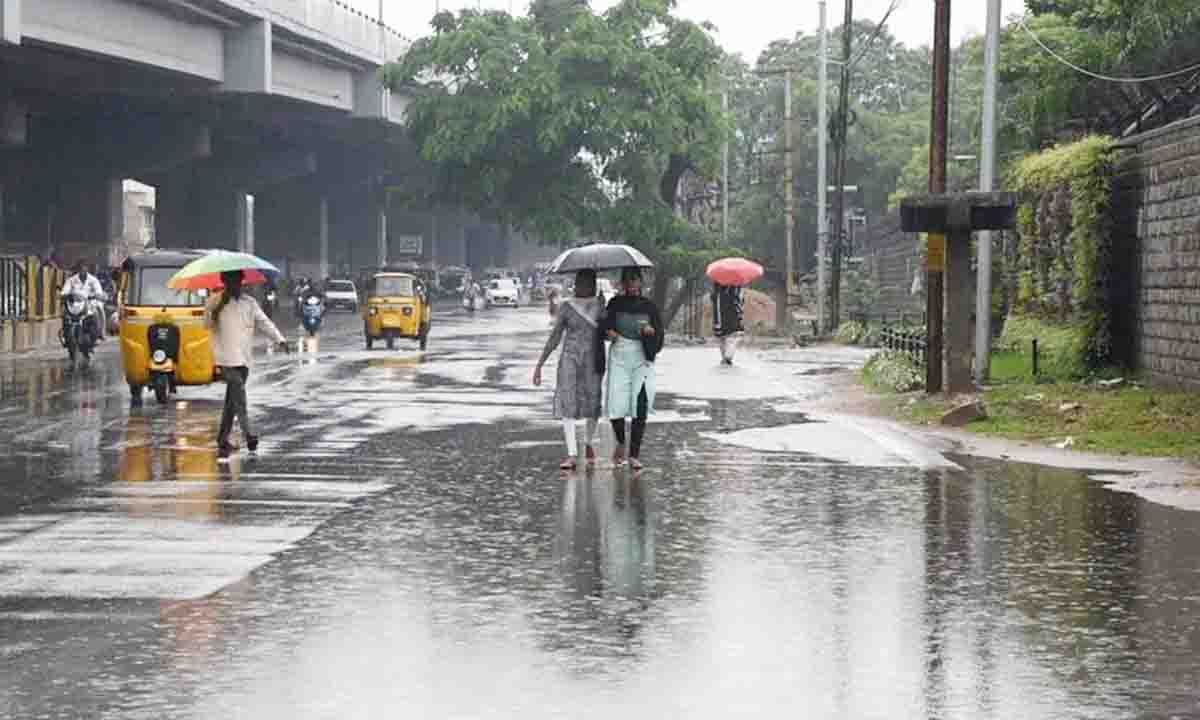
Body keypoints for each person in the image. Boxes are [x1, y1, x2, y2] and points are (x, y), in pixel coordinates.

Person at [206, 270, 289, 460]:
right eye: (230, 281)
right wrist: (217, 309)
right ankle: (248, 433)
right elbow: (206, 325)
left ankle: (222, 439)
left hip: (244, 359)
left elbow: (264, 322)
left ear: (242, 282)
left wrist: (280, 340)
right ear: (224, 282)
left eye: (237, 280)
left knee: (232, 401)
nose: (234, 284)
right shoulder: (214, 301)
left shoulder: (249, 303)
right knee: (239, 393)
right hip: (225, 358)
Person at [533, 270, 606, 471]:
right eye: (580, 283)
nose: (583, 287)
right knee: (568, 402)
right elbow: (555, 337)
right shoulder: (566, 307)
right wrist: (540, 364)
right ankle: (572, 454)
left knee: (593, 402)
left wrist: (603, 311)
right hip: (569, 358)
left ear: (593, 285)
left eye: (587, 283)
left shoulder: (600, 307)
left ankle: (589, 442)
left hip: (593, 360)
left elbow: (608, 334)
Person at [601, 268, 664, 470]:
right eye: (628, 281)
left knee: (640, 404)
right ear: (622, 284)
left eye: (635, 280)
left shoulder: (649, 307)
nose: (632, 285)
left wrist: (650, 333)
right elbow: (604, 327)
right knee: (616, 402)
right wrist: (609, 333)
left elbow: (659, 336)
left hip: (641, 357)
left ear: (641, 283)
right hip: (619, 354)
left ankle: (634, 454)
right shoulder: (615, 304)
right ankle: (620, 441)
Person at [60, 260, 107, 341]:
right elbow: (64, 292)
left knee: (99, 309)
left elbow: (98, 292)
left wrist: (96, 295)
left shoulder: (93, 280)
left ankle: (101, 332)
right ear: (78, 269)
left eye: (84, 268)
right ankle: (65, 334)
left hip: (90, 303)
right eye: (80, 268)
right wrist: (67, 295)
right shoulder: (71, 280)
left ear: (87, 269)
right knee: (64, 313)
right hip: (75, 304)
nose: (82, 270)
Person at [711, 282, 745, 365]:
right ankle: (727, 357)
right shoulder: (736, 286)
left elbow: (713, 298)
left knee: (722, 337)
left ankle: (725, 357)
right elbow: (740, 301)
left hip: (720, 316)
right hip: (730, 315)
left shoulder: (717, 286)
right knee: (731, 336)